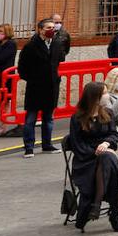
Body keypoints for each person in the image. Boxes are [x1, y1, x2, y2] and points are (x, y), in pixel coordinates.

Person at [66, 82, 118, 232]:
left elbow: (113, 135)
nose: (107, 96)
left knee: (108, 160)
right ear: (95, 97)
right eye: (104, 93)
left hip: (105, 159)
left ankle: (95, 205)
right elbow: (77, 145)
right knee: (110, 163)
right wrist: (98, 151)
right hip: (86, 162)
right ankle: (115, 213)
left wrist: (106, 144)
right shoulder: (77, 118)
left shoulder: (108, 113)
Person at [17, 18, 68, 157]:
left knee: (48, 118)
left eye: (53, 27)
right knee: (30, 119)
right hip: (35, 87)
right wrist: (32, 78)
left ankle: (47, 144)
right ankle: (29, 147)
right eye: (48, 28)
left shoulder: (57, 44)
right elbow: (22, 67)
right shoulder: (31, 46)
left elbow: (61, 58)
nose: (52, 30)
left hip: (51, 87)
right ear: (40, 29)